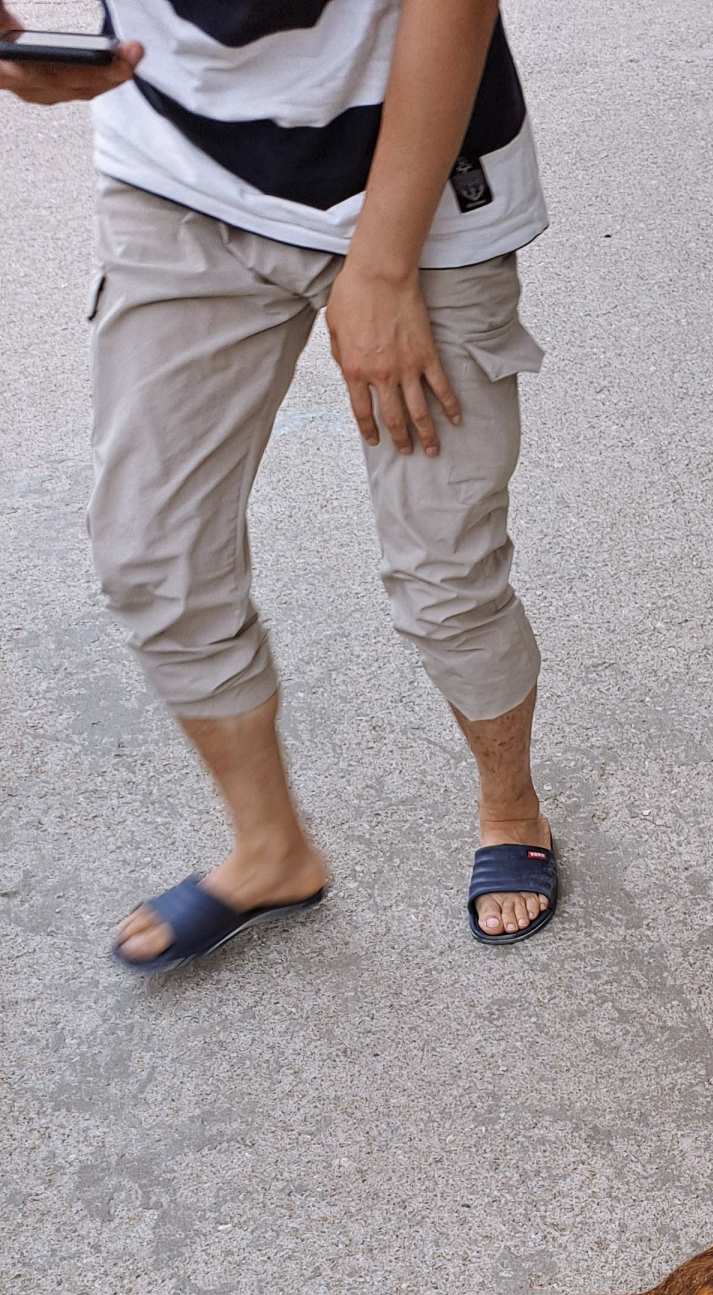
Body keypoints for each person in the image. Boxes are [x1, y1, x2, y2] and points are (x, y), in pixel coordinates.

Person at [0, 0, 557, 966]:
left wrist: (380, 272)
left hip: (413, 180)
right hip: (176, 163)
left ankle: (511, 803)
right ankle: (271, 850)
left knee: (446, 573)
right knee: (151, 555)